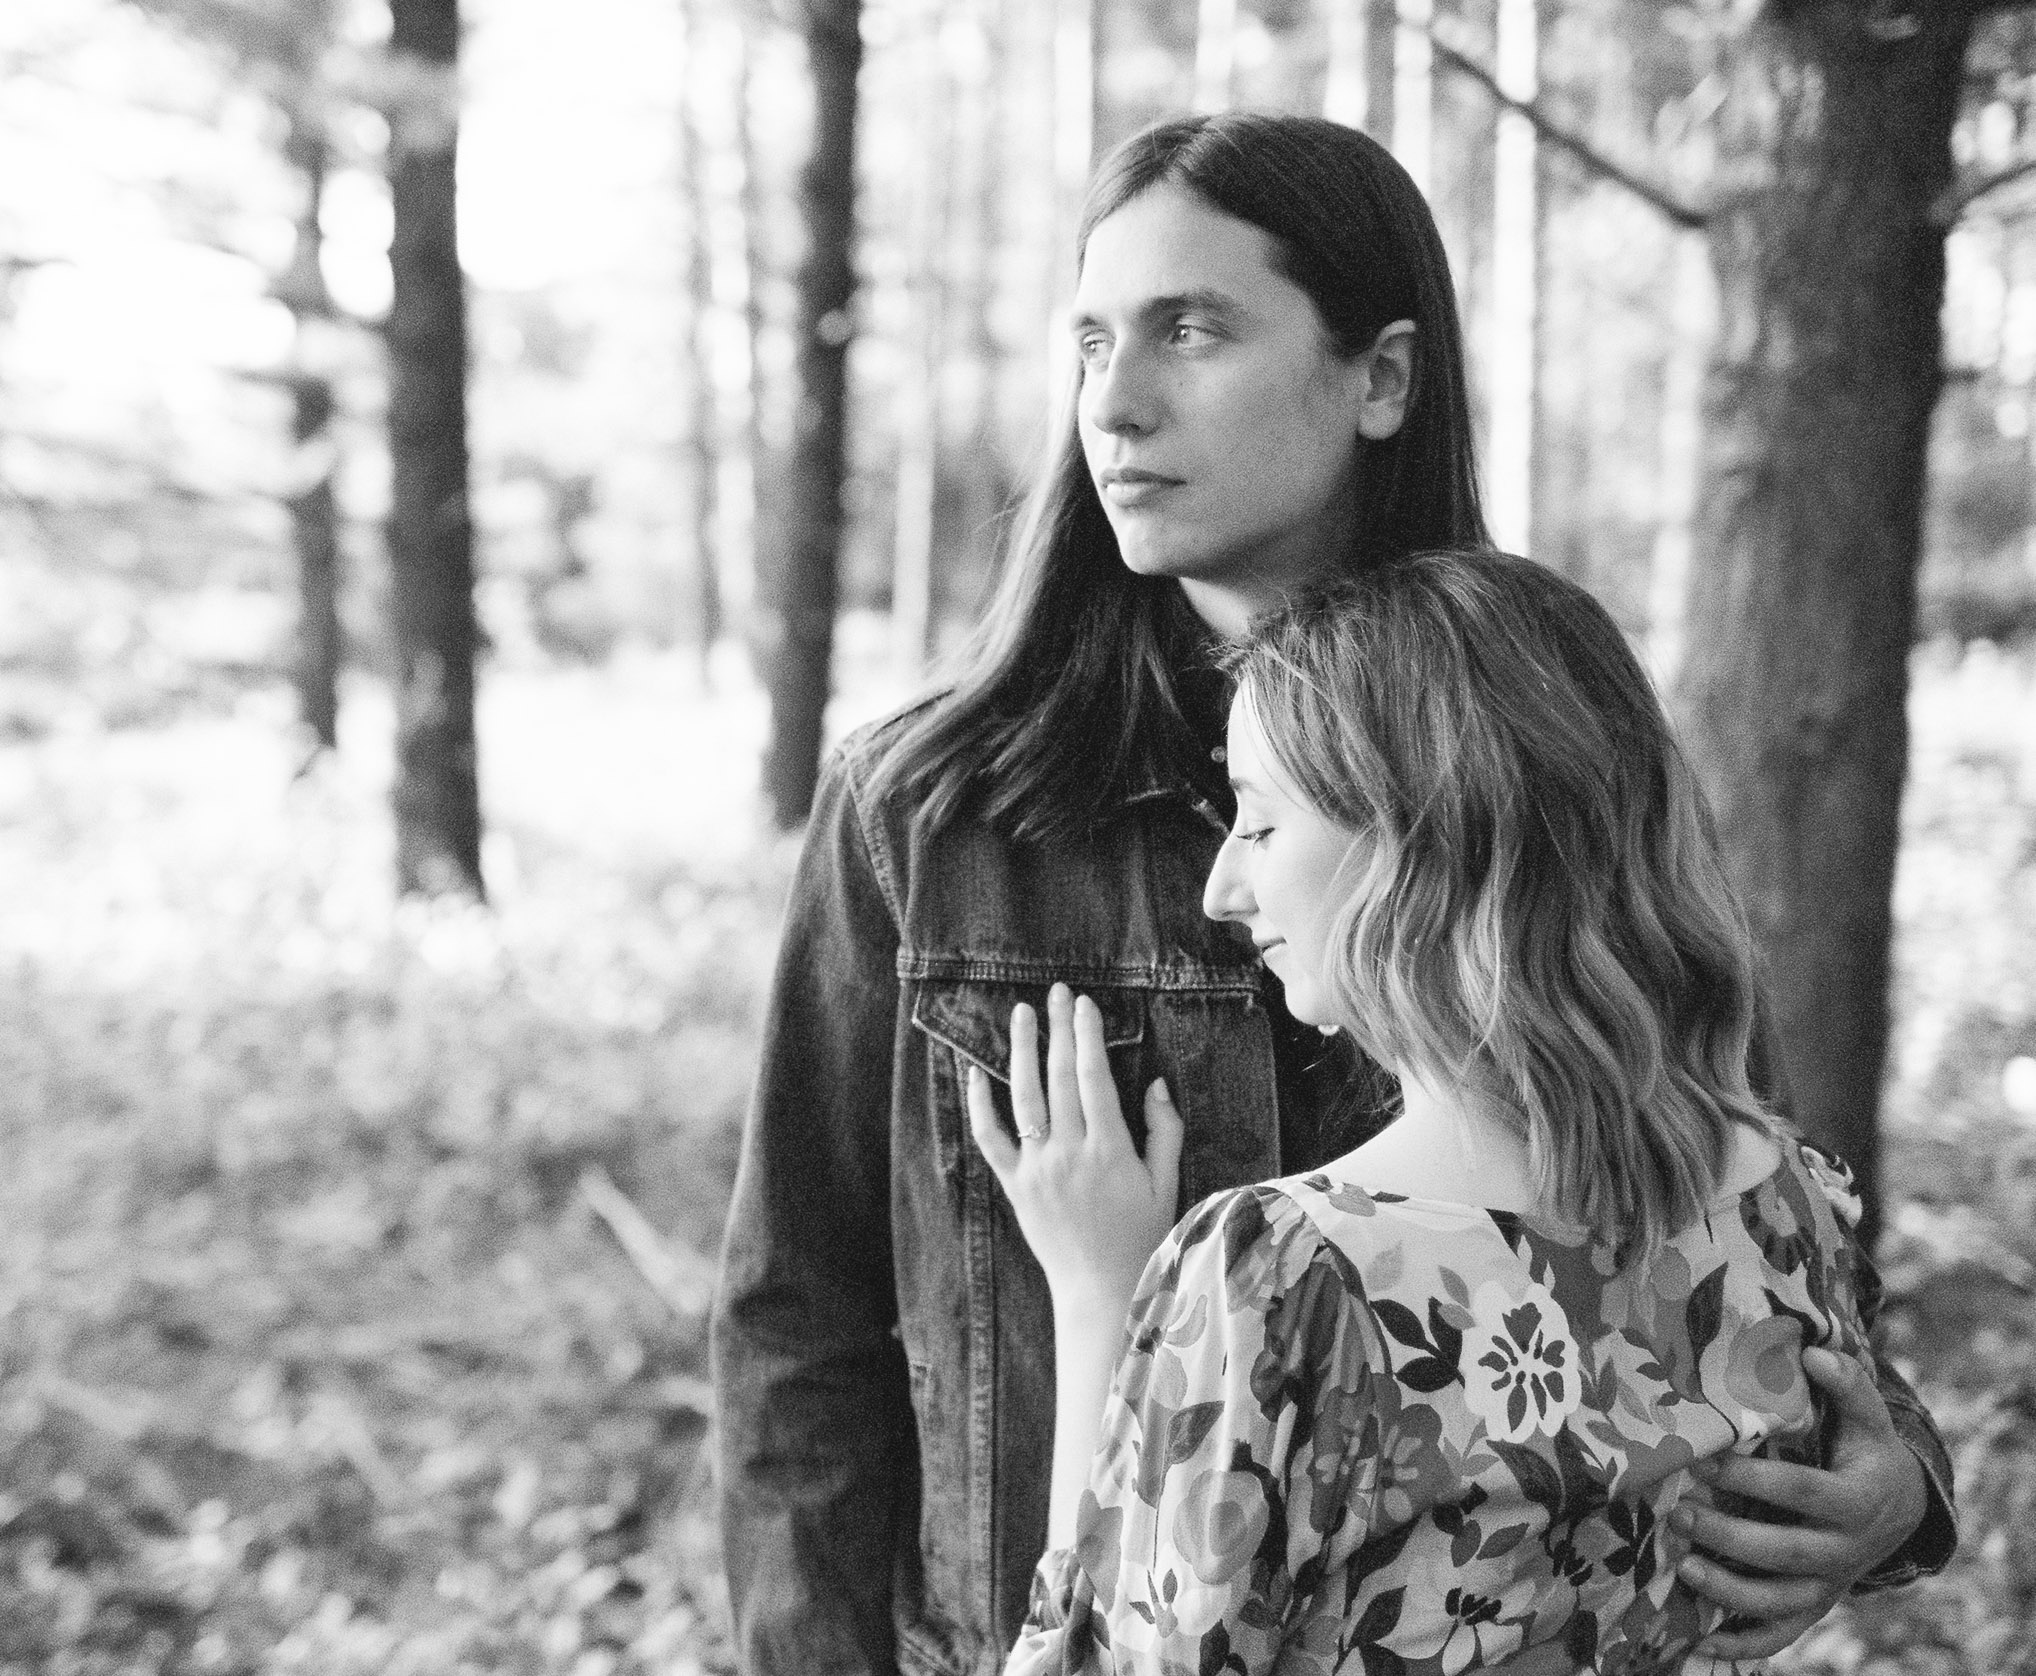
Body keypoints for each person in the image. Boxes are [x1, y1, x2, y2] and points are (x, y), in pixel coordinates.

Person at [710, 112, 1953, 1676]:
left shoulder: (1549, 757)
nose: (1117, 400)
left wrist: (1892, 1485)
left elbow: (1724, 1191)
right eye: (1091, 340)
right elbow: (795, 1336)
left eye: (1193, 329)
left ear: (1382, 378)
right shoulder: (930, 810)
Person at [976, 549, 1906, 1673]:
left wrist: (1095, 1291)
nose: (1223, 887)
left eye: (1261, 825)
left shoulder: (1286, 1279)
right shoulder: (1791, 1204)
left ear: (1423, 843)